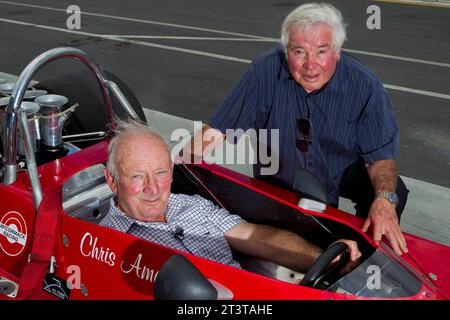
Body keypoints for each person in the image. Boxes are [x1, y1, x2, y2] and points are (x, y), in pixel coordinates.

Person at [182, 3, 409, 256]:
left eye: (321, 51)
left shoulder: (365, 85)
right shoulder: (263, 72)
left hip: (339, 170)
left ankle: (365, 254)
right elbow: (218, 130)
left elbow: (380, 157)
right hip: (281, 175)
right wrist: (176, 168)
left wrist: (385, 201)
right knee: (285, 245)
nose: (310, 65)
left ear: (337, 52)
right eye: (299, 52)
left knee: (391, 189)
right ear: (286, 50)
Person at [100, 119, 361, 274]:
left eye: (160, 173)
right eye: (136, 177)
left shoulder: (192, 205)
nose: (153, 188)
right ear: (113, 181)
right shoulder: (105, 247)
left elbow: (255, 236)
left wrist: (321, 258)